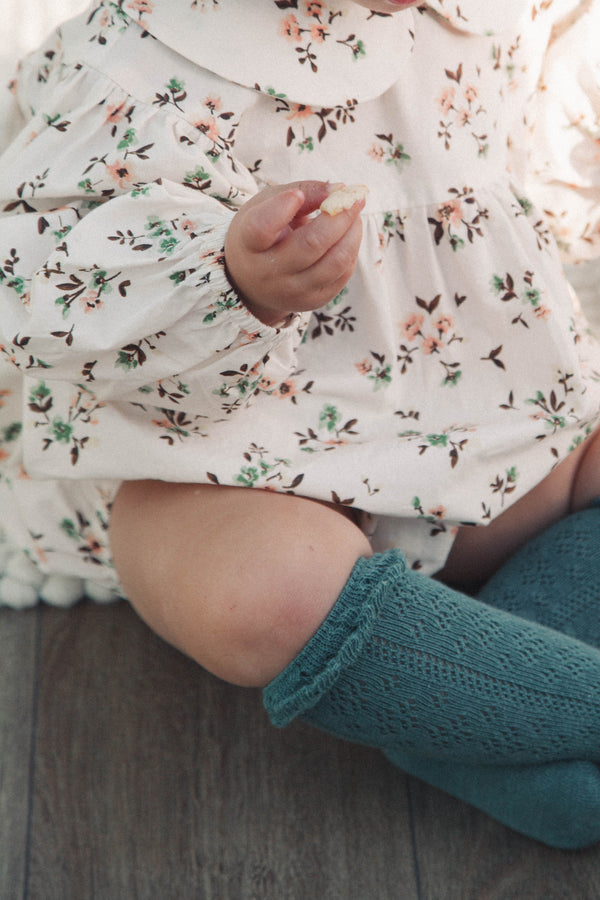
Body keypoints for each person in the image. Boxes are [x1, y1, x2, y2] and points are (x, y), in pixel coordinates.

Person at [0, 0, 599, 848]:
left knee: (584, 459)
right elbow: (51, 282)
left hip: (485, 433)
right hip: (248, 462)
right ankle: (526, 703)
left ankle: (475, 715)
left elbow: (550, 124)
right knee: (253, 590)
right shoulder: (148, 55)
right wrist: (232, 280)